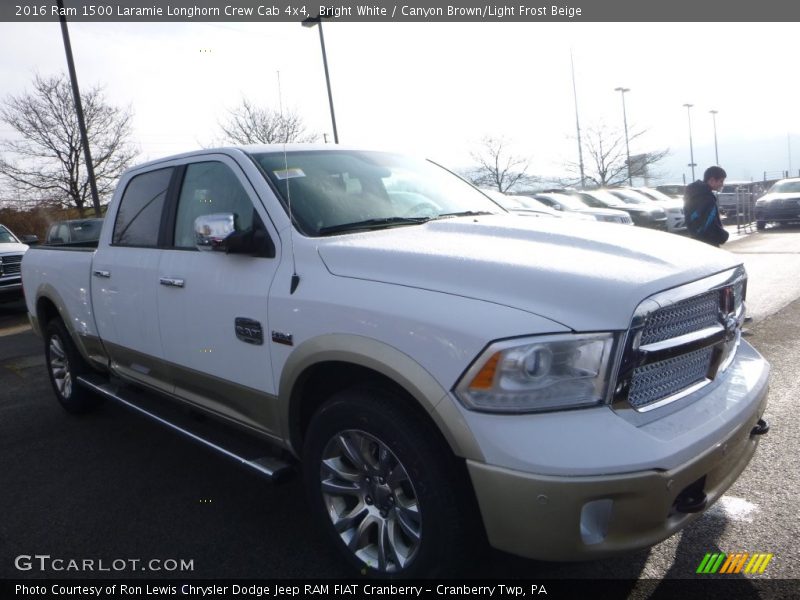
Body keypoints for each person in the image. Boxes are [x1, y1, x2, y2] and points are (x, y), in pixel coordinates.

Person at [684, 166, 729, 247]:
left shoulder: (693, 193)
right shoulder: (707, 198)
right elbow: (708, 223)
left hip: (696, 240)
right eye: (721, 181)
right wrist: (723, 235)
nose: (722, 184)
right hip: (708, 242)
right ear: (712, 180)